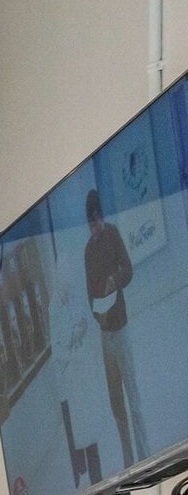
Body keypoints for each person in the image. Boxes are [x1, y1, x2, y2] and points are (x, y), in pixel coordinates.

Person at [89, 187, 148, 471]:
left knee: (132, 393)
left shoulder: (112, 234)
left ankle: (145, 454)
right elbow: (90, 295)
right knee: (116, 401)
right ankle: (128, 461)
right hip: (105, 334)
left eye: (97, 220)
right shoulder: (87, 250)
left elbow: (129, 269)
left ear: (102, 217)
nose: (95, 227)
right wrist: (95, 315)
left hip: (121, 328)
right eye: (90, 223)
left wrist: (115, 279)